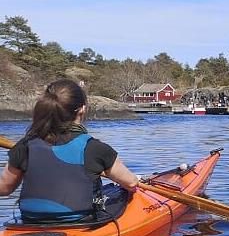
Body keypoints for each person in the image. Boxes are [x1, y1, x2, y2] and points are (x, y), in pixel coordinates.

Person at [0, 79, 141, 223]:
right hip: (80, 221)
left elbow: (4, 188)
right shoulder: (95, 148)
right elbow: (131, 183)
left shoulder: (24, 146)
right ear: (82, 109)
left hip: (30, 221)